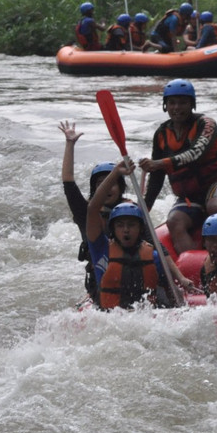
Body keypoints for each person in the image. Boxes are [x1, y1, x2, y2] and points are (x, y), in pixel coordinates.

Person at [139, 78, 217, 254]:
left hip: (216, 185)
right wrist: (145, 207)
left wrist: (160, 163)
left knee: (214, 206)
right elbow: (157, 178)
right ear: (165, 105)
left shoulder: (206, 124)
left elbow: (195, 154)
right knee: (174, 221)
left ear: (192, 104)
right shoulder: (161, 134)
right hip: (189, 197)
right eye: (172, 103)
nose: (177, 108)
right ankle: (193, 267)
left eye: (183, 103)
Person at [85, 162, 193, 309]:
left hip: (143, 317)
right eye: (120, 225)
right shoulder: (101, 249)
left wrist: (180, 281)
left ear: (140, 229)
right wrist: (115, 173)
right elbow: (92, 208)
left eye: (131, 225)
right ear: (113, 229)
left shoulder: (151, 256)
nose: (126, 230)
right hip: (110, 316)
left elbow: (167, 286)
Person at [59, 120, 128, 300]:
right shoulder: (86, 214)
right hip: (101, 279)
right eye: (101, 183)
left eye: (112, 183)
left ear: (121, 188)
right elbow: (68, 182)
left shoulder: (132, 212)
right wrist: (70, 144)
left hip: (131, 273)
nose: (108, 188)